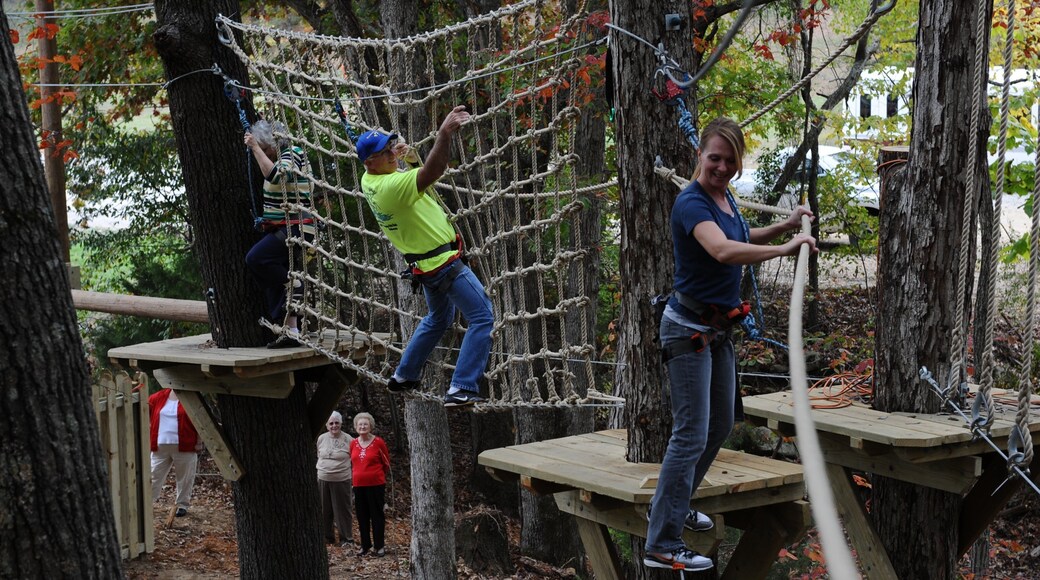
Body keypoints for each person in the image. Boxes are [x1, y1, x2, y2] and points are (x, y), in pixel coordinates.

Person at [644, 117, 818, 572]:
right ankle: (661, 541)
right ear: (699, 156)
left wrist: (786, 226)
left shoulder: (725, 200)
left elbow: (741, 237)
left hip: (718, 331)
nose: (720, 167)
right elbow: (722, 250)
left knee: (720, 425)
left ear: (738, 163)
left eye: (728, 160)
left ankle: (673, 506)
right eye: (713, 158)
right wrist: (785, 250)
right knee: (690, 433)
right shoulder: (691, 203)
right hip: (688, 330)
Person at [357, 105, 494, 407]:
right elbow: (432, 173)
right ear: (370, 162)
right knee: (483, 316)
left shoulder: (370, 181)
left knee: (439, 317)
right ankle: (462, 387)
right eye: (386, 151)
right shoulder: (390, 186)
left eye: (391, 146)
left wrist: (407, 158)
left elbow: (415, 180)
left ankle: (404, 374)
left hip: (424, 266)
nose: (392, 152)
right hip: (443, 265)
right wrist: (444, 133)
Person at [244, 119, 315, 349]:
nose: (263, 155)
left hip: (297, 227)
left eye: (265, 150)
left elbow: (275, 176)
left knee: (257, 259)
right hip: (286, 228)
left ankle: (293, 283)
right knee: (274, 280)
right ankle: (291, 331)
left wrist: (255, 148)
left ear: (272, 145)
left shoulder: (293, 153)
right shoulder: (283, 154)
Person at [149, 388, 202, 517]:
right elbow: (146, 414)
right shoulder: (157, 397)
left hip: (185, 444)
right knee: (153, 475)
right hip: (160, 446)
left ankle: (182, 505)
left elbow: (200, 421)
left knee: (185, 477)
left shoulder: (191, 397)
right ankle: (147, 501)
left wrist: (199, 441)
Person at [349, 412, 390, 557]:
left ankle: (379, 546)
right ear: (356, 426)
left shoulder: (378, 442)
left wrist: (375, 475)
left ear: (370, 425)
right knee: (362, 516)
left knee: (377, 515)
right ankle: (365, 545)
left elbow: (386, 464)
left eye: (365, 424)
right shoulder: (353, 443)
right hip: (358, 486)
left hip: (376, 485)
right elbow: (352, 462)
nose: (362, 426)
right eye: (360, 424)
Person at [317, 411, 354, 547]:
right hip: (323, 478)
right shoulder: (321, 438)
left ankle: (346, 539)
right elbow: (319, 455)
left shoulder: (348, 439)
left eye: (336, 423)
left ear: (341, 424)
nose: (334, 426)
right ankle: (327, 537)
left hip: (342, 479)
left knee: (342, 510)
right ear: (326, 425)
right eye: (331, 423)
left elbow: (354, 459)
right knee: (324, 509)